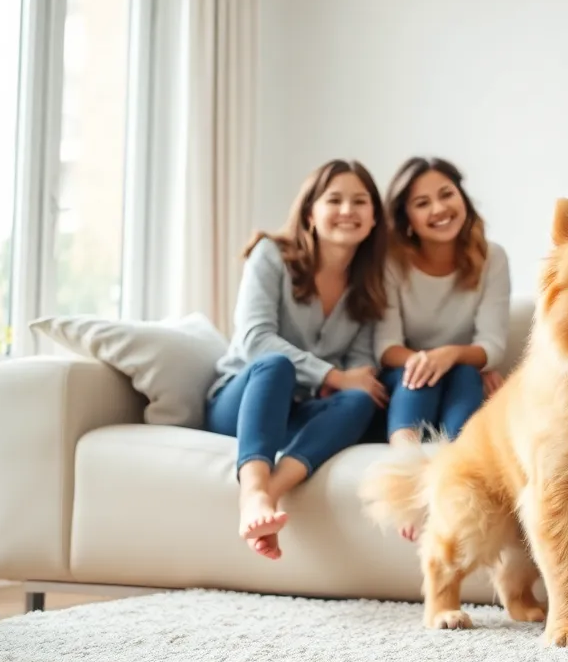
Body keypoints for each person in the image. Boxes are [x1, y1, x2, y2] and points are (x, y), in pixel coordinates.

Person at [207, 159, 391, 560]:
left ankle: (270, 495)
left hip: (301, 411)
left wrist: (346, 381)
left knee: (363, 399)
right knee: (276, 366)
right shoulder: (271, 255)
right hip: (243, 402)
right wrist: (334, 376)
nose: (348, 210)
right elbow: (255, 340)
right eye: (335, 200)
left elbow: (360, 366)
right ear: (311, 212)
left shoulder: (371, 285)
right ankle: (252, 491)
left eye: (360, 202)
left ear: (374, 217)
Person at [376, 156, 511, 451]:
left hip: (463, 374)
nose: (439, 209)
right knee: (421, 374)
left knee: (463, 374)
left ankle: (458, 458)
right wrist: (430, 360)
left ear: (462, 197)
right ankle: (405, 457)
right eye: (422, 203)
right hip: (405, 376)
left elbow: (492, 345)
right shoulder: (391, 263)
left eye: (447, 194)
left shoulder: (493, 258)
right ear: (406, 217)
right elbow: (386, 346)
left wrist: (450, 355)